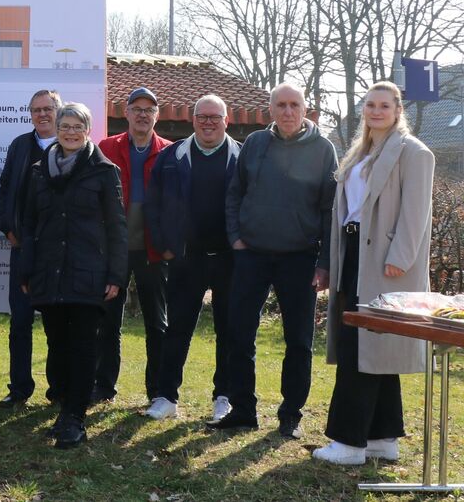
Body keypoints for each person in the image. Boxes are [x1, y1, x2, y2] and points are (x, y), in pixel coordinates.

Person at [314, 82, 434, 465]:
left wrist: (399, 257)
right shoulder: (361, 152)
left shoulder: (414, 152)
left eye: (384, 105)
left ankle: (348, 443)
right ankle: (383, 439)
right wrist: (333, 263)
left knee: (361, 348)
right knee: (371, 347)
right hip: (354, 254)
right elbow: (347, 213)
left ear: (398, 110)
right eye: (370, 105)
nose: (376, 111)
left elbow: (416, 214)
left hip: (386, 262)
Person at [209, 83, 337, 439]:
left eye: (294, 104)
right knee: (239, 334)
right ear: (270, 110)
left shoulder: (323, 150)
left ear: (305, 108)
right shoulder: (254, 144)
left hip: (300, 258)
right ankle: (243, 410)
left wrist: (324, 262)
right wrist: (236, 237)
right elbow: (235, 193)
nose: (288, 112)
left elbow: (330, 210)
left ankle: (290, 414)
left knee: (298, 340)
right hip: (252, 254)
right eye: (280, 105)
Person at [17, 102, 127, 448]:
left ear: (88, 130)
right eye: (65, 125)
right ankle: (64, 408)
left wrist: (116, 275)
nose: (70, 132)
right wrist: (27, 267)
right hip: (49, 272)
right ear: (57, 128)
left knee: (82, 346)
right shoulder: (38, 172)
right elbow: (30, 224)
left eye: (77, 126)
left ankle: (76, 417)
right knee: (57, 344)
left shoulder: (104, 171)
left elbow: (117, 228)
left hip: (88, 272)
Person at [144, 95, 239, 421]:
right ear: (192, 119)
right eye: (202, 116)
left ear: (227, 120)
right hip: (186, 258)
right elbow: (152, 205)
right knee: (177, 329)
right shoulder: (172, 156)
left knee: (229, 330)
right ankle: (166, 396)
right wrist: (165, 245)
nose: (208, 122)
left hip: (230, 259)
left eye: (215, 117)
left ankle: (224, 397)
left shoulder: (242, 156)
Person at [94, 87, 171, 406]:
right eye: (136, 108)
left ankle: (157, 390)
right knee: (108, 319)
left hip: (155, 250)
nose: (142, 114)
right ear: (124, 112)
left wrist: (171, 245)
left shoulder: (169, 151)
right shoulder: (106, 147)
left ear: (157, 116)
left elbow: (177, 203)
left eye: (149, 109)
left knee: (157, 322)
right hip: (115, 250)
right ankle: (105, 386)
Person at [0, 89, 62, 407]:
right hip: (22, 247)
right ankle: (19, 388)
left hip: (56, 254)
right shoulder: (20, 145)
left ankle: (58, 389)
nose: (42, 115)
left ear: (58, 111)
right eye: (36, 110)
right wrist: (7, 228)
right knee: (20, 321)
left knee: (55, 324)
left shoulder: (69, 145)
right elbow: (5, 186)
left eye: (47, 109)